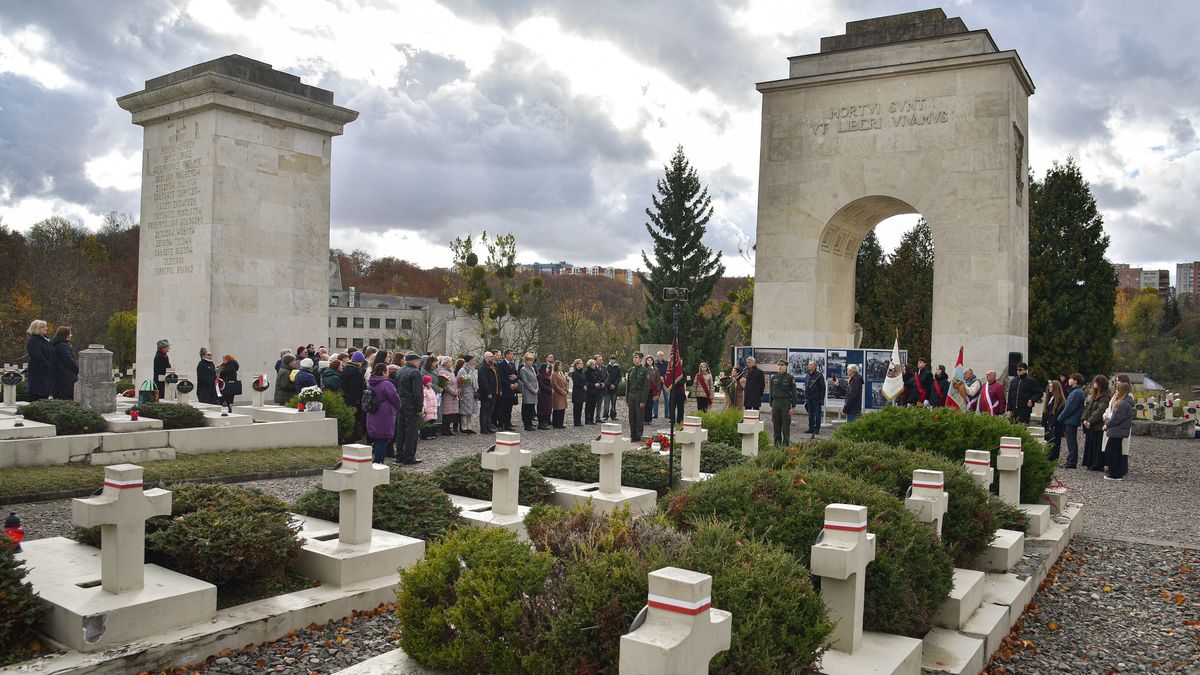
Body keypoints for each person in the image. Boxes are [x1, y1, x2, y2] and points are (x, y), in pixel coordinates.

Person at [365, 362, 401, 464]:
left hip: (373, 412)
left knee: (377, 437)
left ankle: (376, 460)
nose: (388, 373)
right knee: (383, 438)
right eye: (387, 371)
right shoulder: (386, 384)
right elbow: (395, 398)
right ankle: (378, 462)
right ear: (384, 372)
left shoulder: (371, 382)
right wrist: (399, 407)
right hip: (384, 413)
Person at [395, 353, 424, 465]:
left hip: (401, 403)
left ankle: (399, 455)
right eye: (418, 361)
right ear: (413, 361)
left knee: (400, 430)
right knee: (411, 432)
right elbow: (418, 393)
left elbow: (396, 387)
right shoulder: (415, 373)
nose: (419, 363)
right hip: (411, 405)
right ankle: (409, 456)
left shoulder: (400, 371)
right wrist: (419, 408)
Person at [1102, 381, 1133, 480]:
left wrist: (1107, 425)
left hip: (1117, 432)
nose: (1116, 391)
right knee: (1116, 451)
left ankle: (1114, 473)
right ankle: (1116, 472)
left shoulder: (1123, 404)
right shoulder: (1124, 402)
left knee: (1111, 452)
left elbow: (1117, 418)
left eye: (1117, 390)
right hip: (1118, 431)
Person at [1081, 375, 1112, 472]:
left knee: (1097, 446)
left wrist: (1090, 421)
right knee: (1090, 444)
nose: (1094, 384)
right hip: (1091, 425)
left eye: (1096, 382)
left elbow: (1100, 411)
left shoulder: (1106, 397)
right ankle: (1090, 463)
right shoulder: (1094, 395)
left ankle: (1097, 464)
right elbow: (1087, 408)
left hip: (1098, 426)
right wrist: (1084, 419)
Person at [1057, 373, 1085, 468]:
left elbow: (1070, 408)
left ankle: (1071, 462)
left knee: (1071, 442)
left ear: (1075, 381)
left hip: (1071, 420)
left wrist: (1060, 418)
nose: (1069, 380)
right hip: (1070, 420)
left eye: (1071, 379)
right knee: (1070, 441)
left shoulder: (1077, 393)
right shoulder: (1075, 392)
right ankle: (1071, 461)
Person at [23, 320, 54, 401]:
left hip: (45, 371)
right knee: (38, 393)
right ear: (36, 328)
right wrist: (47, 365)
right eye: (43, 327)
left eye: (45, 326)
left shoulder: (45, 340)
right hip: (38, 370)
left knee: (45, 392)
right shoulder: (34, 340)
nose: (46, 328)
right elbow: (37, 355)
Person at [769, 359, 797, 446]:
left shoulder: (790, 378)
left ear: (786, 366)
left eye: (782, 365)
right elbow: (771, 392)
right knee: (776, 426)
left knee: (785, 426)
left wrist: (793, 406)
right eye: (779, 365)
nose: (780, 367)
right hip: (775, 403)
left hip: (785, 403)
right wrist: (771, 405)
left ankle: (785, 445)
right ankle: (777, 445)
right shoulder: (774, 377)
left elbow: (794, 393)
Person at [342, 351, 367, 442]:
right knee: (354, 421)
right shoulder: (356, 372)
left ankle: (348, 438)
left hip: (346, 399)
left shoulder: (346, 369)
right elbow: (355, 389)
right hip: (353, 401)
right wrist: (355, 404)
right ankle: (352, 439)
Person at [49, 326, 78, 400]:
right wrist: (78, 369)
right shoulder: (62, 346)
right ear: (65, 335)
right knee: (66, 396)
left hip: (60, 375)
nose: (71, 335)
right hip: (65, 376)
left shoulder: (56, 344)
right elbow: (69, 360)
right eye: (70, 334)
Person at [625, 352, 649, 441]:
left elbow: (646, 387)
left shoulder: (645, 370)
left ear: (641, 359)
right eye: (633, 357)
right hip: (631, 395)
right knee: (631, 416)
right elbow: (627, 385)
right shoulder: (630, 370)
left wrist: (643, 400)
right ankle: (632, 435)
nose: (634, 359)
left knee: (639, 417)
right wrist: (627, 398)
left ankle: (638, 435)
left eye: (636, 357)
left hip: (639, 394)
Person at [1042, 380, 1066, 462]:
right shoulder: (1050, 398)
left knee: (1055, 441)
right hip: (1049, 423)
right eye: (1049, 386)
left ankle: (1053, 457)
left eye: (1051, 386)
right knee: (1049, 440)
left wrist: (1052, 424)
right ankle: (1049, 456)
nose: (1049, 388)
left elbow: (1058, 414)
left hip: (1055, 425)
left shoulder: (1060, 400)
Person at [477, 352, 500, 434]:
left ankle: (488, 426)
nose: (492, 358)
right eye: (490, 357)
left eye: (492, 357)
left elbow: (497, 379)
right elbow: (484, 381)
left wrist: (499, 389)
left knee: (491, 411)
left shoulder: (494, 367)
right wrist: (488, 392)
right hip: (486, 393)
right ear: (485, 358)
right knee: (485, 411)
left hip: (494, 392)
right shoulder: (483, 368)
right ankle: (483, 428)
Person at [496, 350, 519, 431]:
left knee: (509, 408)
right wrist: (509, 384)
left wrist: (516, 382)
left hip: (512, 390)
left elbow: (516, 374)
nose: (512, 356)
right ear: (506, 355)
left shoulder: (512, 364)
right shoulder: (501, 364)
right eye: (511, 354)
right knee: (502, 408)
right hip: (505, 389)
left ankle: (507, 424)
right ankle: (500, 424)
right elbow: (501, 377)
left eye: (513, 354)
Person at [803, 360, 826, 438]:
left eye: (810, 364)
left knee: (817, 414)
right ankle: (811, 428)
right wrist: (806, 397)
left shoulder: (819, 375)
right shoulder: (807, 375)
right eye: (808, 364)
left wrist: (822, 398)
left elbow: (823, 387)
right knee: (810, 414)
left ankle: (817, 428)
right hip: (809, 398)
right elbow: (806, 386)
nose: (808, 366)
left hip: (817, 398)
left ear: (815, 366)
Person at [456, 356, 478, 435]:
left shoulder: (473, 370)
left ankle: (469, 427)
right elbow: (459, 381)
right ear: (469, 361)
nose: (474, 362)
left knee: (470, 411)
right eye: (473, 360)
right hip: (465, 392)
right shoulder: (463, 370)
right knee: (465, 411)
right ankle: (464, 427)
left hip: (472, 392)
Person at [438, 356, 459, 436]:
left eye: (451, 361)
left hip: (453, 395)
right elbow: (446, 384)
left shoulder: (452, 371)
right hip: (447, 395)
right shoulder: (442, 372)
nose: (451, 363)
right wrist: (453, 392)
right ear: (445, 363)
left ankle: (448, 428)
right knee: (446, 413)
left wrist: (457, 389)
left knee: (451, 413)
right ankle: (444, 429)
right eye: (449, 362)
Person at [518, 352, 539, 431]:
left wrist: (537, 388)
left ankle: (530, 423)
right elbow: (525, 381)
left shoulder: (532, 368)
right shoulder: (523, 369)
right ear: (526, 361)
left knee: (532, 408)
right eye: (529, 360)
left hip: (534, 390)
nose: (531, 362)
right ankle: (527, 424)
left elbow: (536, 379)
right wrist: (532, 389)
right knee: (527, 408)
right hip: (528, 391)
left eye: (532, 360)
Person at [585, 358, 605, 425]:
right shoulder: (587, 372)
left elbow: (597, 379)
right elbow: (586, 382)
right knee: (588, 405)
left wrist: (600, 383)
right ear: (590, 365)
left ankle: (591, 419)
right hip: (589, 391)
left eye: (595, 364)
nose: (594, 365)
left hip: (595, 391)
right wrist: (594, 385)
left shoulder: (595, 371)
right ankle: (587, 419)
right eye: (593, 364)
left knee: (593, 405)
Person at [569, 358, 587, 426]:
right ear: (576, 365)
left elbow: (585, 380)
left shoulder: (582, 372)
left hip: (582, 392)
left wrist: (585, 385)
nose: (582, 364)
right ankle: (576, 421)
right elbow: (576, 382)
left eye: (582, 363)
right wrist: (582, 386)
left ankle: (579, 421)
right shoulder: (574, 373)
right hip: (577, 392)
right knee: (576, 407)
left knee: (580, 407)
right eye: (580, 363)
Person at [603, 355, 622, 421]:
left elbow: (619, 377)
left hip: (615, 388)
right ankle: (605, 415)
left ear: (615, 360)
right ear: (609, 360)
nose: (613, 360)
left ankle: (613, 415)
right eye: (611, 359)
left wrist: (614, 384)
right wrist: (610, 384)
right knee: (606, 403)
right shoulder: (606, 367)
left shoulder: (618, 368)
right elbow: (605, 377)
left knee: (613, 403)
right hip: (607, 388)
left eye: (614, 359)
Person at [551, 361, 568, 429]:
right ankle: (556, 424)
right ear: (556, 366)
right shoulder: (554, 374)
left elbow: (566, 382)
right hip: (557, 394)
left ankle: (561, 423)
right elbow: (555, 385)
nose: (561, 366)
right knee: (557, 409)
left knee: (562, 409)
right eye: (559, 365)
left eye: (561, 365)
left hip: (563, 393)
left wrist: (566, 390)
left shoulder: (561, 373)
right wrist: (562, 391)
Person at [536, 362, 552, 430]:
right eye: (547, 367)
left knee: (547, 408)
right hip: (542, 394)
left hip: (547, 394)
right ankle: (541, 424)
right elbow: (541, 385)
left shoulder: (547, 375)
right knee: (542, 408)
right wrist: (549, 389)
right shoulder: (540, 375)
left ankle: (545, 422)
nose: (548, 369)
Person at [654, 351, 667, 419]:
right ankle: (655, 414)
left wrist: (664, 377)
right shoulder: (654, 364)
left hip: (665, 383)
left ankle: (667, 414)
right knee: (656, 399)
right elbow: (653, 373)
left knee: (667, 399)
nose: (663, 356)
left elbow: (668, 372)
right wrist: (659, 378)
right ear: (658, 356)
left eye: (663, 355)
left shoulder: (667, 363)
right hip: (657, 384)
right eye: (661, 355)